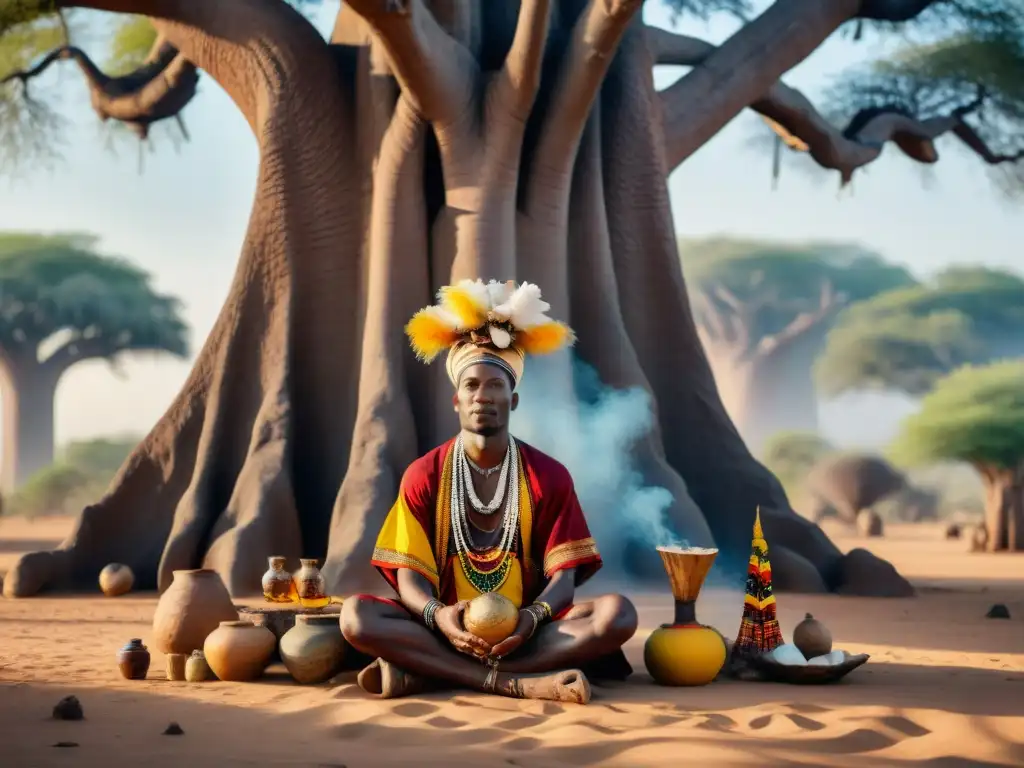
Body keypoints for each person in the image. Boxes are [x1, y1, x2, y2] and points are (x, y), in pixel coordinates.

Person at [340, 279, 638, 704]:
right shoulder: (424, 474)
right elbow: (408, 579)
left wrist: (530, 621)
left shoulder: (548, 475)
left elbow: (564, 579)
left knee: (617, 614)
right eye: (472, 386)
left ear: (513, 400)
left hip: (527, 633)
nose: (483, 396)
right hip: (444, 631)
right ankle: (510, 682)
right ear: (456, 401)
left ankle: (437, 674)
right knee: (356, 616)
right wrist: (440, 616)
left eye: (495, 386)